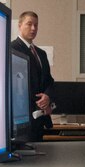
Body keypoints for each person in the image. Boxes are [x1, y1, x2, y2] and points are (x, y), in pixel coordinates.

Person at [10, 11, 54, 141]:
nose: (33, 28)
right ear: (19, 25)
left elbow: (49, 81)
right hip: (23, 120)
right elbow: (14, 85)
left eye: (36, 25)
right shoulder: (12, 49)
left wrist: (47, 96)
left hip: (40, 118)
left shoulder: (41, 53)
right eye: (29, 24)